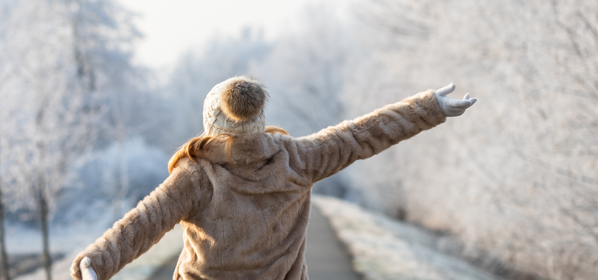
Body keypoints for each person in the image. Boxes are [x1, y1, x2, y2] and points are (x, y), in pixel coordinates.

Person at [70, 76, 477, 280]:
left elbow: (144, 222)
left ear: (211, 123)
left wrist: (97, 261)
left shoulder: (196, 175)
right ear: (258, 120)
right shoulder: (299, 159)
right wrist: (429, 107)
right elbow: (363, 134)